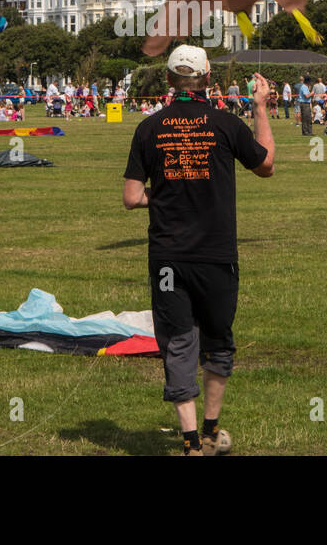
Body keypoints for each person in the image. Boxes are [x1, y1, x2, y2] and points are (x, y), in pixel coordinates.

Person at [122, 45, 274, 457]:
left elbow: (133, 197)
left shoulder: (149, 128)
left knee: (177, 343)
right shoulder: (225, 124)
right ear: (208, 79)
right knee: (218, 342)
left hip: (169, 256)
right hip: (216, 254)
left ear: (169, 81)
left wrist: (166, 194)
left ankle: (190, 442)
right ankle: (210, 431)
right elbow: (265, 165)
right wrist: (260, 107)